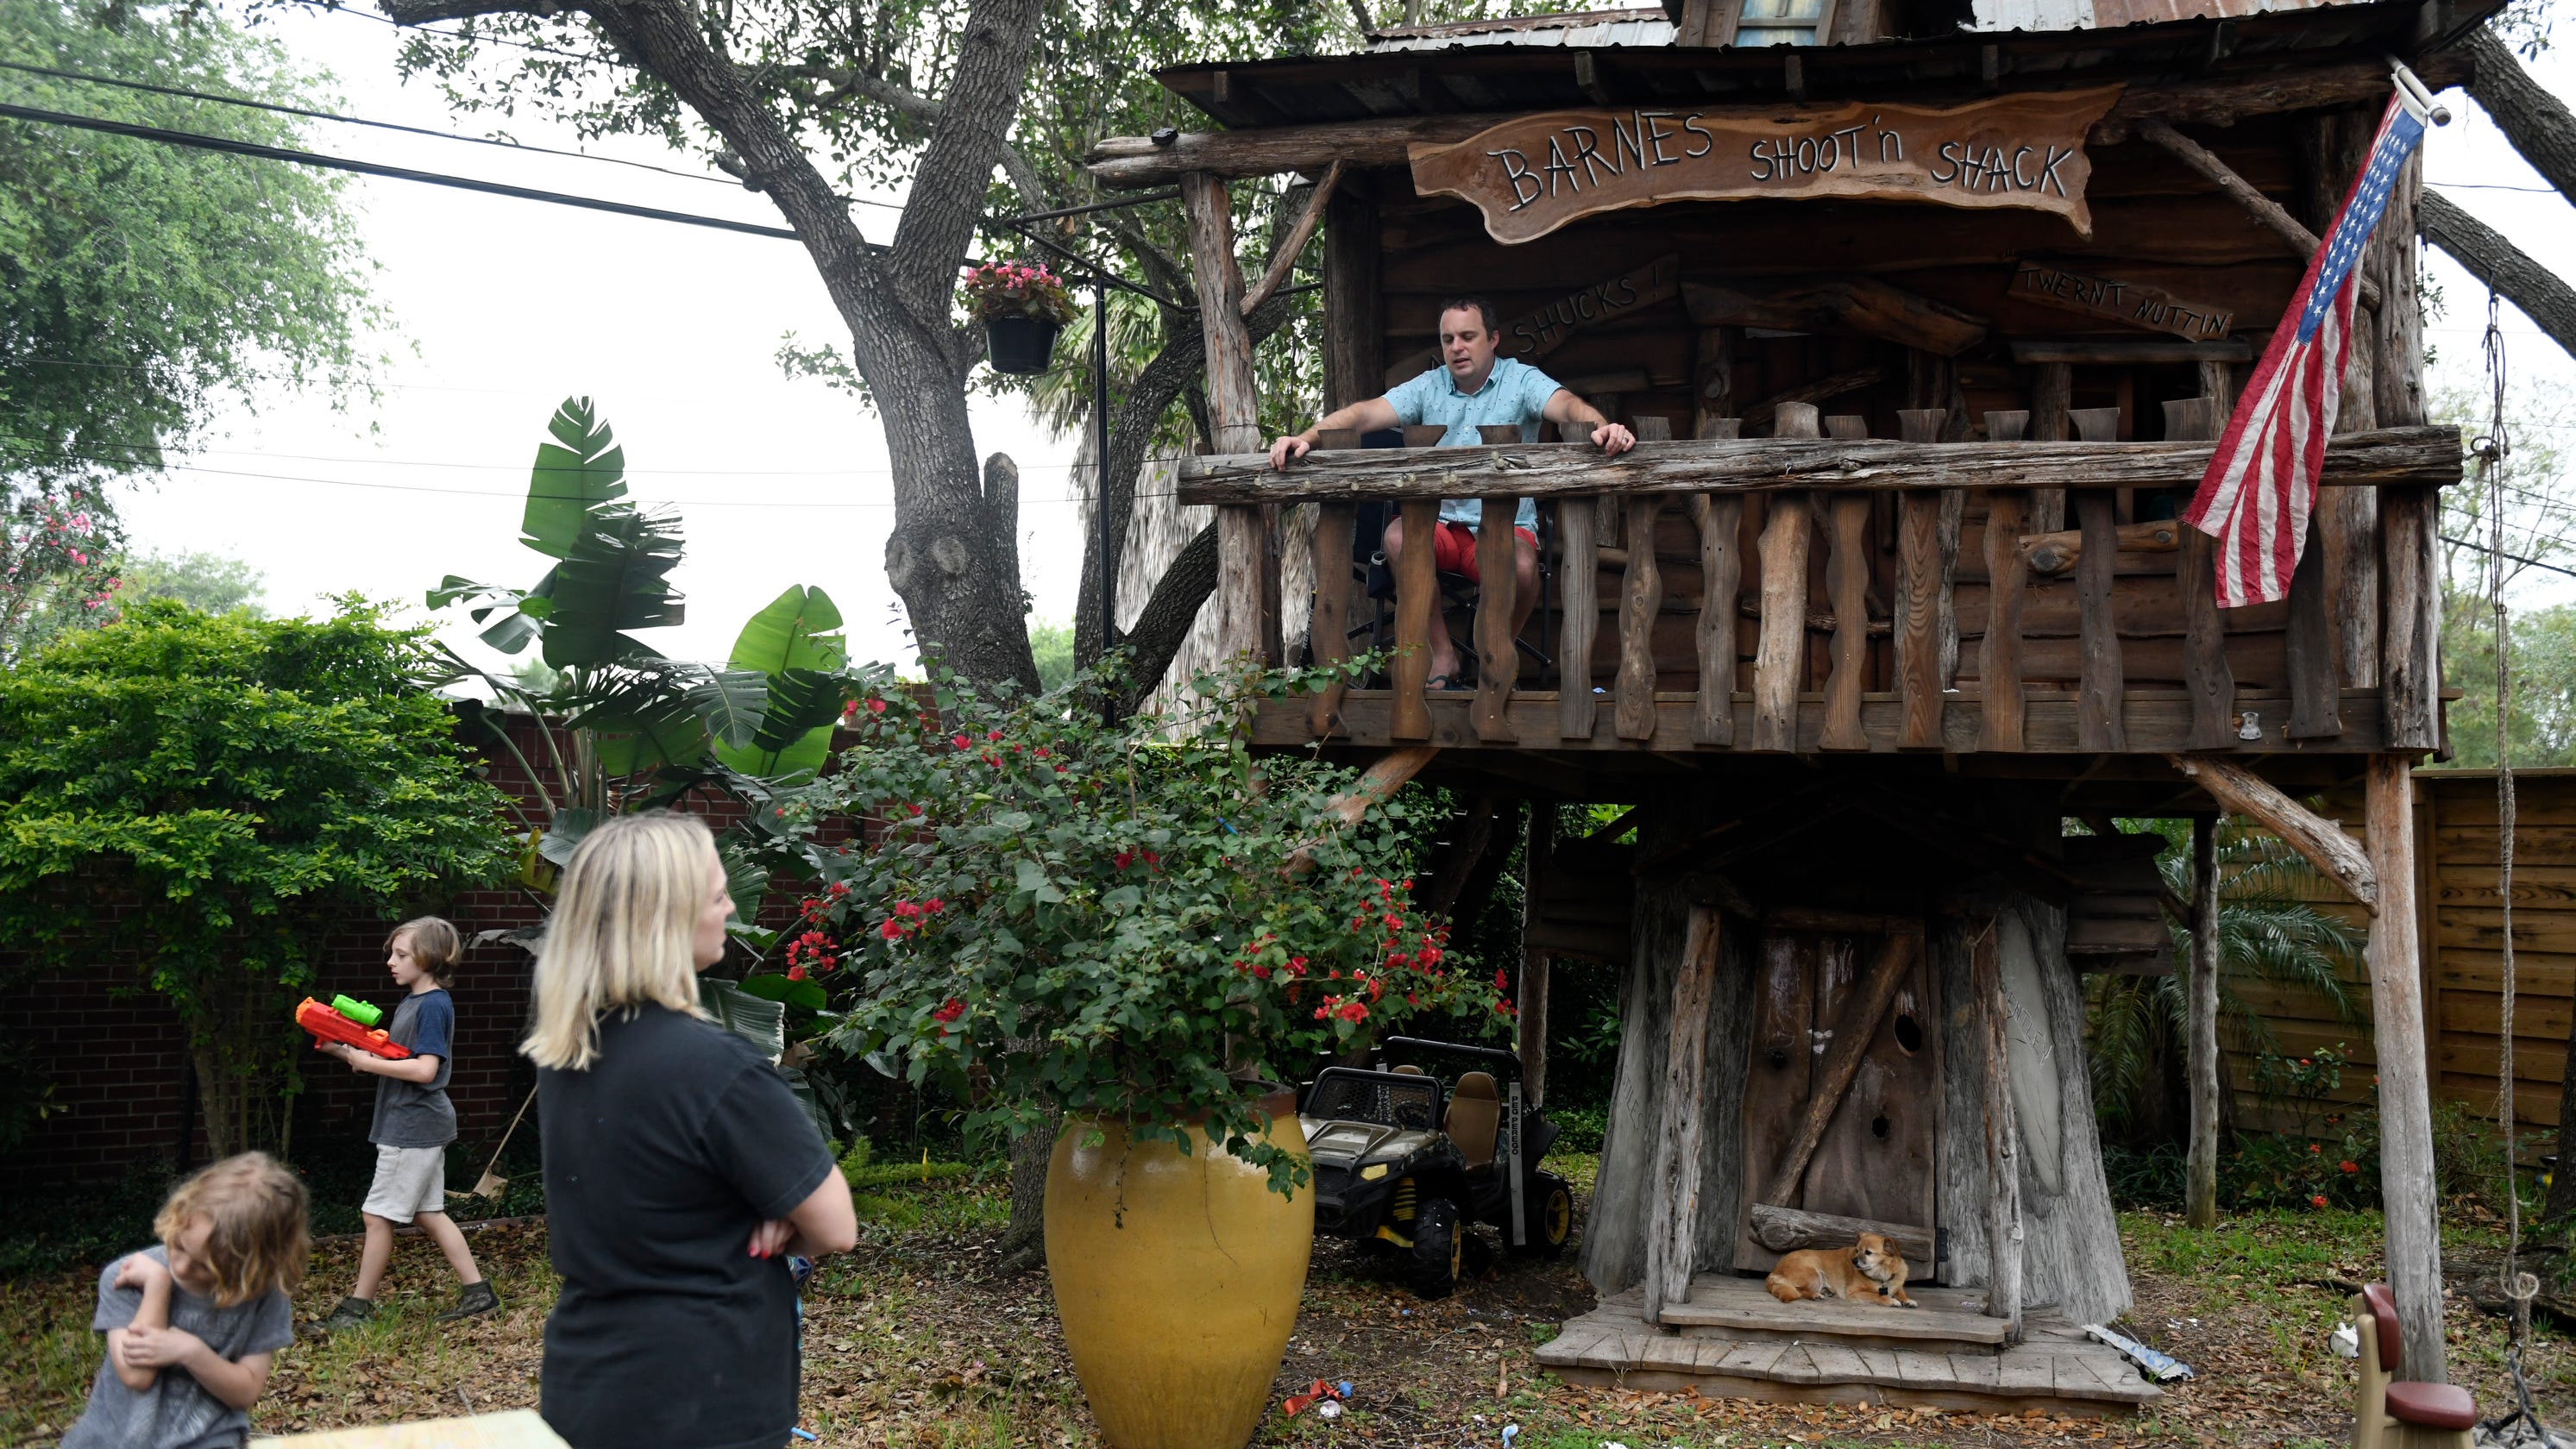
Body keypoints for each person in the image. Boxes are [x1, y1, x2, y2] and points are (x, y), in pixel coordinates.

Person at [526, 812, 858, 1449]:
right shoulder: (718, 1067)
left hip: (585, 1387)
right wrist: (785, 1218)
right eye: (717, 895)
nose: (731, 907)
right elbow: (837, 1227)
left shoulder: (568, 1053)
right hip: (705, 1399)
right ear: (668, 919)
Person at [1266, 296, 1637, 687]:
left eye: (1467, 336)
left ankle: (1497, 656)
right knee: (1397, 536)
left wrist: (1603, 426)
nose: (1457, 347)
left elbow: (1566, 406)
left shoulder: (1522, 380)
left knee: (1525, 568)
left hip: (1504, 529)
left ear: (1493, 339)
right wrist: (1305, 437)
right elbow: (1363, 413)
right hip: (1439, 525)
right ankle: (1443, 655)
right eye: (1448, 339)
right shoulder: (1429, 386)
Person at [315, 916, 497, 1331]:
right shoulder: (414, 1002)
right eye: (392, 954)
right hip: (418, 1124)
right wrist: (342, 1051)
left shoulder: (432, 1005)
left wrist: (363, 1061)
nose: (391, 963)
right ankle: (479, 1294)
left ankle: (356, 1310)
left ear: (429, 958)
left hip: (413, 1127)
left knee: (377, 1217)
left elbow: (425, 1071)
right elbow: (394, 1062)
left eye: (401, 955)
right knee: (428, 1213)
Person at [61, 1153, 306, 1449]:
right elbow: (137, 1375)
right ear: (179, 1214)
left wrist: (191, 1351)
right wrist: (158, 1286)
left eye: (205, 1267)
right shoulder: (128, 1276)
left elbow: (246, 1392)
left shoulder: (262, 1294)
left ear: (251, 1266)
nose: (182, 1267)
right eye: (178, 1245)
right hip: (112, 1441)